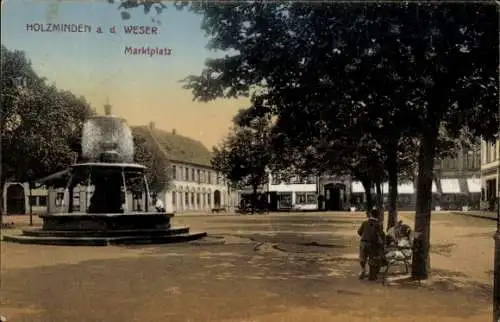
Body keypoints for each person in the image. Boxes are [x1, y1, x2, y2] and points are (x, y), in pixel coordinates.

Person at [357, 209, 385, 280]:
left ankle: (363, 270)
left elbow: (359, 232)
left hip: (363, 243)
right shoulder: (379, 224)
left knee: (362, 258)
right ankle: (371, 275)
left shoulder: (365, 222)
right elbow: (381, 235)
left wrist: (366, 235)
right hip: (373, 244)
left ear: (370, 214)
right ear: (378, 216)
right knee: (372, 259)